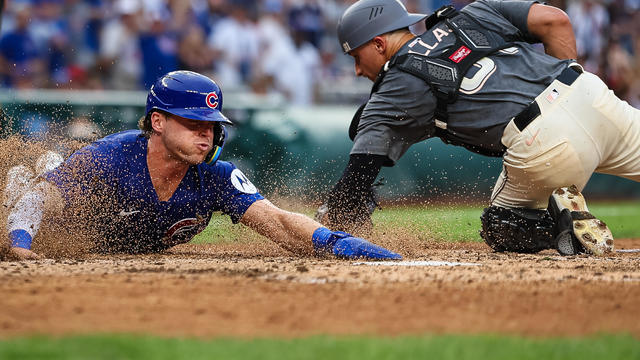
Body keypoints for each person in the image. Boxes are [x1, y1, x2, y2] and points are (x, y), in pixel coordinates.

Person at [318, 0, 640, 256]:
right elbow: (555, 20)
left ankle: (562, 219)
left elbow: (357, 178)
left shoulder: (394, 90)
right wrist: (566, 97)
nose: (358, 70)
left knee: (501, 227)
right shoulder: (472, 14)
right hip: (590, 93)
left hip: (544, 140)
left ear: (378, 44)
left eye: (356, 57)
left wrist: (333, 220)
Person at [1, 70, 402, 261]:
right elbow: (42, 198)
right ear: (157, 121)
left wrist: (337, 243)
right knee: (26, 193)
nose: (205, 135)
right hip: (46, 222)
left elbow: (277, 221)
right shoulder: (109, 157)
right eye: (193, 124)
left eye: (211, 126)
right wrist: (19, 246)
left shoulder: (215, 175)